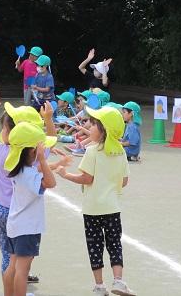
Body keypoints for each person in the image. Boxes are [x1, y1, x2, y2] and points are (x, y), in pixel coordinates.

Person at [0, 93, 60, 287]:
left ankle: (10, 287)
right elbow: (52, 139)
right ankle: (19, 283)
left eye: (5, 128)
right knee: (20, 263)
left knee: (9, 257)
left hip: (1, 209)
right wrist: (48, 119)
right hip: (25, 214)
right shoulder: (33, 153)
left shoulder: (0, 151)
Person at [55, 106, 135, 296]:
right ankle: (118, 281)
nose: (89, 127)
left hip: (92, 209)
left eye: (94, 124)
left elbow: (86, 179)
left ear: (103, 129)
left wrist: (65, 175)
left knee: (95, 246)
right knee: (114, 243)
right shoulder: (120, 153)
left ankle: (99, 286)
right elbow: (124, 181)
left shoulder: (92, 152)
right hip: (112, 208)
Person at [3, 121, 57, 296]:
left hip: (15, 225)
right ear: (33, 151)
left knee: (12, 265)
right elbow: (50, 182)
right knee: (22, 270)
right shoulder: (28, 173)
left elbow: (41, 176)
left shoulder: (18, 169)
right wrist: (42, 159)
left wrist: (41, 162)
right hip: (27, 228)